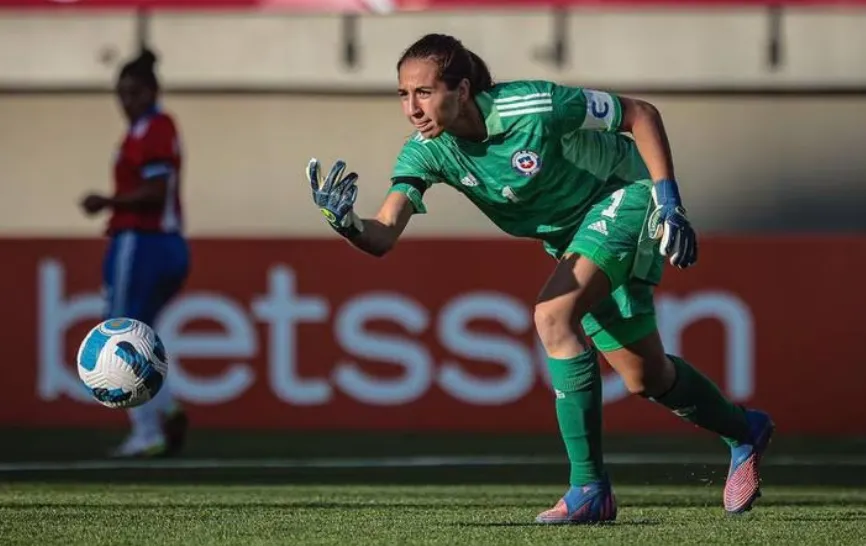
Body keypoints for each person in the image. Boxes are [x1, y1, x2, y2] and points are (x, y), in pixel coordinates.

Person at [304, 33, 776, 522]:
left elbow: (640, 114)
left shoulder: (534, 104)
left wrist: (669, 200)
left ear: (462, 89)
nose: (412, 107)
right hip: (576, 240)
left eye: (423, 92)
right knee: (645, 376)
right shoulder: (426, 152)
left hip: (624, 195)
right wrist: (349, 224)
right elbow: (382, 236)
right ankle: (744, 430)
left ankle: (589, 489)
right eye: (403, 94)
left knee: (553, 316)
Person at [79, 48, 190, 459]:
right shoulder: (146, 129)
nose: (126, 102)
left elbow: (156, 191)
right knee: (141, 337)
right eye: (121, 94)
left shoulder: (153, 129)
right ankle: (167, 408)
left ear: (152, 92)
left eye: (134, 93)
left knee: (118, 334)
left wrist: (107, 201)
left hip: (142, 242)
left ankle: (148, 430)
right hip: (166, 243)